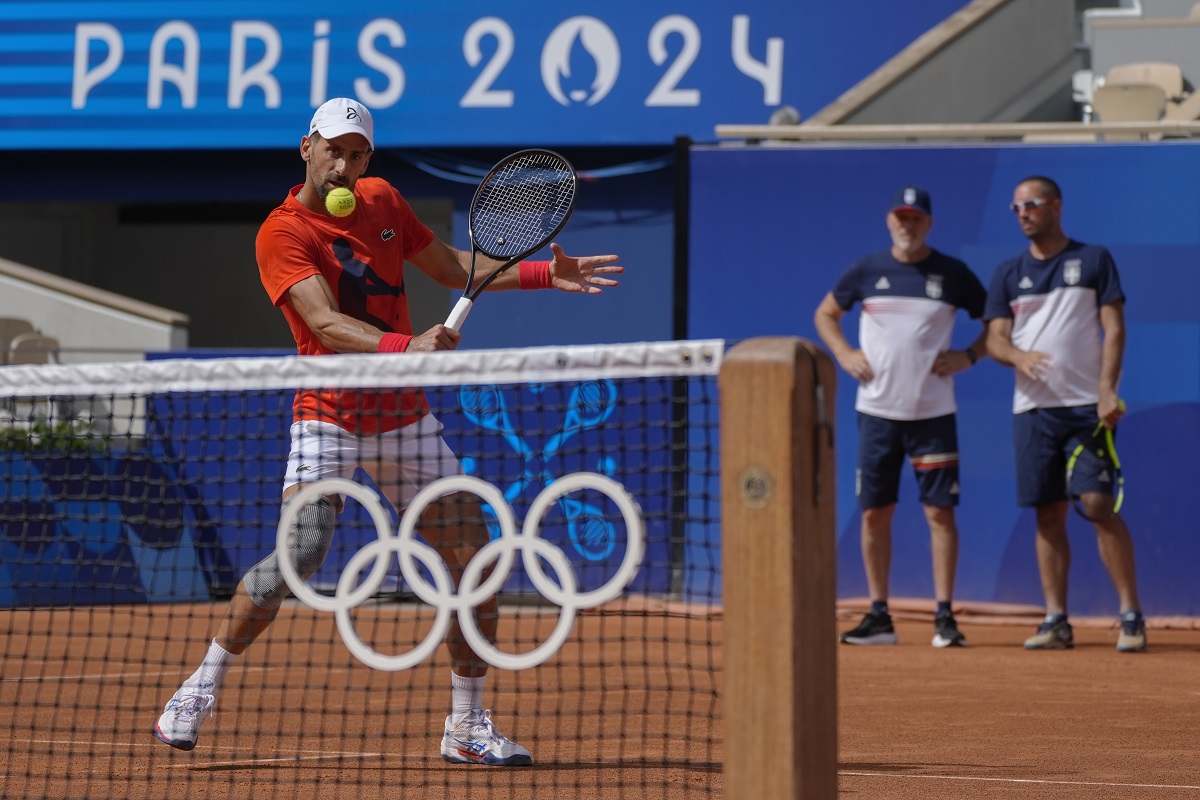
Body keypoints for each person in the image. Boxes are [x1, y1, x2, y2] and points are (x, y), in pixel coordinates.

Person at [152, 98, 623, 763]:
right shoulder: (281, 233)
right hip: (329, 414)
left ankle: (466, 726)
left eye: (358, 152)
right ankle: (199, 688)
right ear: (306, 147)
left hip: (403, 416)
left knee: (474, 558)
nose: (345, 165)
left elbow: (457, 270)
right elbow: (325, 325)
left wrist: (548, 272)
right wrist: (408, 347)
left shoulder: (382, 200)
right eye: (335, 150)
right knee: (302, 553)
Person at [814, 186, 988, 649]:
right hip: (877, 413)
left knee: (939, 513)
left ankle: (945, 617)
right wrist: (845, 353)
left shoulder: (953, 274)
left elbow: (998, 320)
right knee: (875, 513)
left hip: (933, 412)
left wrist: (969, 356)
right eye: (900, 217)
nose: (907, 225)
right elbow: (826, 314)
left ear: (928, 223)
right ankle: (878, 616)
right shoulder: (866, 270)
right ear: (889, 222)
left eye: (916, 218)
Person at [984, 175, 1146, 653]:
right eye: (1015, 208)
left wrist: (1106, 390)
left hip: (1085, 408)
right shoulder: (1008, 273)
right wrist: (1019, 358)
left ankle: (1131, 614)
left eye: (1031, 204)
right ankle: (1057, 620)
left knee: (1097, 505)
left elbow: (1113, 330)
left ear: (1055, 206)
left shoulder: (1093, 260)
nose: (1023, 214)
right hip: (1033, 411)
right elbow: (995, 338)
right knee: (1047, 514)